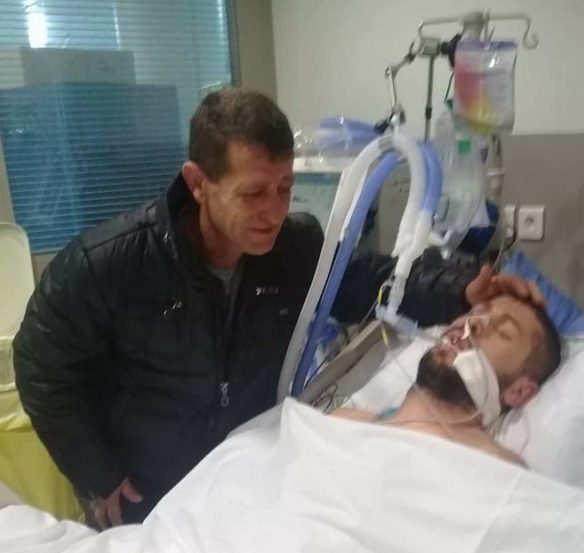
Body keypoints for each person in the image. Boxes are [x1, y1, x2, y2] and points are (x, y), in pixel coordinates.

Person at [13, 88, 543, 527]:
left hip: (241, 481)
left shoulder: (293, 250)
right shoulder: (113, 263)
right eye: (253, 194)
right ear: (198, 184)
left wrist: (463, 289)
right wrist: (97, 472)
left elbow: (374, 279)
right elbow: (40, 363)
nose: (274, 211)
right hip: (144, 492)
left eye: (285, 188)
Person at [334, 293, 561, 464]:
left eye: (502, 332)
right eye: (473, 312)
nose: (472, 323)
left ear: (518, 392)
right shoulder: (343, 424)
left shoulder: (497, 469)